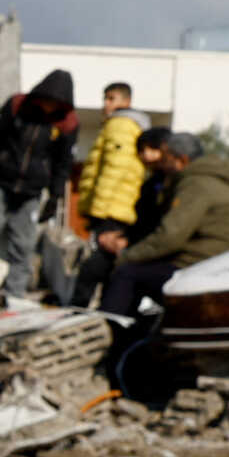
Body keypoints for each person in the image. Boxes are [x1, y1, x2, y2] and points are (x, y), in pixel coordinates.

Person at [99, 131, 229, 368]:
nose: (162, 162)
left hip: (194, 264)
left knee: (127, 274)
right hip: (215, 262)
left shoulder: (195, 184)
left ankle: (105, 338)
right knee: (144, 292)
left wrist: (126, 256)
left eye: (166, 157)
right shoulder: (218, 182)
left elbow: (170, 236)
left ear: (181, 160)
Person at [0, 70, 77, 303]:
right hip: (2, 184)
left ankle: (14, 296)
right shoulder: (18, 106)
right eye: (46, 100)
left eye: (54, 103)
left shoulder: (67, 123)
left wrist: (55, 196)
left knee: (23, 246)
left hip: (31, 193)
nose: (48, 106)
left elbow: (63, 163)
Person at [68, 84, 151, 306]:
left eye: (111, 98)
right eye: (105, 98)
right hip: (113, 206)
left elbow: (116, 168)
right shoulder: (117, 125)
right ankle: (103, 307)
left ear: (126, 101)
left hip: (112, 208)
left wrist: (100, 208)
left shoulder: (121, 124)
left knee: (98, 261)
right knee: (105, 263)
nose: (106, 104)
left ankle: (80, 307)